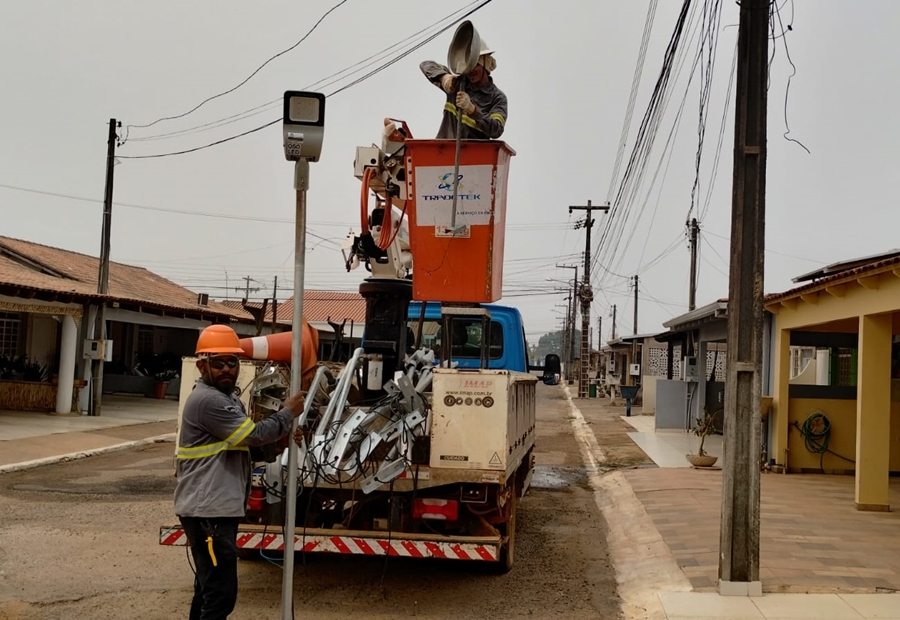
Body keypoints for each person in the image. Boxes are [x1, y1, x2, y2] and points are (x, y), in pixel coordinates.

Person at [174, 324, 305, 620]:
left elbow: (245, 448)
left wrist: (283, 439)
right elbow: (253, 436)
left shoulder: (228, 399)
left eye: (232, 362)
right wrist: (286, 413)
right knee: (220, 595)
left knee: (208, 591)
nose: (227, 369)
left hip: (215, 511)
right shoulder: (209, 400)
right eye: (218, 363)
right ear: (202, 365)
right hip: (209, 514)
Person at [419, 38, 507, 140]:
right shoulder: (457, 83)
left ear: (486, 66)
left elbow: (496, 130)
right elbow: (426, 65)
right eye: (468, 66)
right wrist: (444, 78)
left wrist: (473, 110)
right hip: (444, 151)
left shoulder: (497, 97)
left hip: (473, 154)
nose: (471, 70)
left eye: (475, 65)